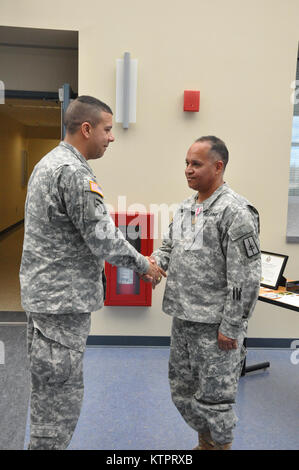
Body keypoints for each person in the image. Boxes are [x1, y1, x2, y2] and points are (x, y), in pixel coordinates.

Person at [19, 95, 165, 450]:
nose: (111, 137)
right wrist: (145, 265)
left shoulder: (49, 163)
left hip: (48, 305)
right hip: (60, 308)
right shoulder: (72, 172)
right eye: (107, 129)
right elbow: (103, 237)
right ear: (86, 129)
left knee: (47, 399)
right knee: (58, 408)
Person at [147, 136, 261, 450]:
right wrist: (155, 263)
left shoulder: (235, 212)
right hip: (183, 319)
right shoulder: (187, 208)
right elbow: (171, 247)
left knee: (216, 401)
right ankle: (205, 443)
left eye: (196, 164)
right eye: (186, 163)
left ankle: (220, 446)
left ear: (218, 166)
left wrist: (231, 326)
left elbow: (247, 276)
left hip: (215, 327)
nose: (188, 170)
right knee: (183, 393)